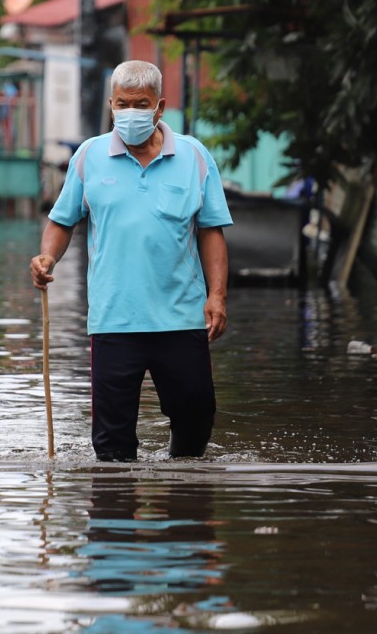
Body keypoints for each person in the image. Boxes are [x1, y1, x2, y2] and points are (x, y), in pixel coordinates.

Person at [29, 59, 233, 462]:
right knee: (111, 442)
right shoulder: (90, 157)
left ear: (160, 107)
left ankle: (184, 509)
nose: (130, 113)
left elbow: (211, 230)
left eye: (141, 103)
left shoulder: (193, 156)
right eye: (122, 104)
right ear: (111, 105)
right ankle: (113, 519)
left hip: (181, 317)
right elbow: (61, 220)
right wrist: (46, 257)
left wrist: (218, 296)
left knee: (195, 422)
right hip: (114, 319)